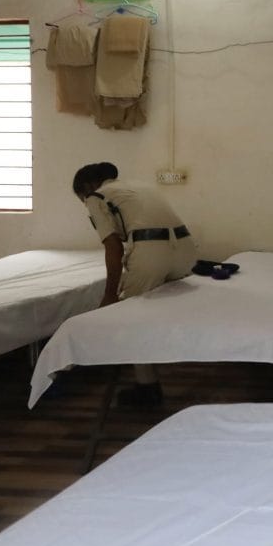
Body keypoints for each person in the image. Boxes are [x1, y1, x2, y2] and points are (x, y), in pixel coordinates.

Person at [72, 161, 197, 406]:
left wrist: (110, 294)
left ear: (86, 187)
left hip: (152, 253)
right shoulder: (141, 187)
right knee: (158, 311)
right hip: (186, 251)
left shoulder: (96, 197)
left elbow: (113, 246)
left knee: (132, 319)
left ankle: (147, 386)